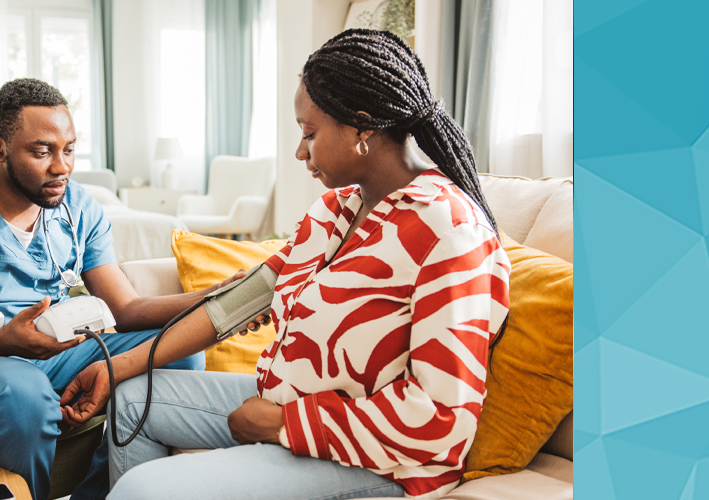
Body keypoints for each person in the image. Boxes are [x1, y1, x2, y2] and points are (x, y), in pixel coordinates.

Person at [56, 29, 513, 499]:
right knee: (134, 399)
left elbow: (440, 423)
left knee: (144, 489)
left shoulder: (449, 230)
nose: (300, 153)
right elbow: (235, 306)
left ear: (362, 127)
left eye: (309, 134)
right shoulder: (336, 211)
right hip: (292, 405)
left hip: (384, 460)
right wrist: (118, 368)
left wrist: (283, 425)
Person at [0, 78, 255, 500]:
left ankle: (98, 494)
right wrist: (4, 340)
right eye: (42, 151)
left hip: (58, 353)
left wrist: (213, 297)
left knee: (180, 351)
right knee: (23, 395)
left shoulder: (79, 206)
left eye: (69, 149)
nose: (61, 166)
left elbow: (127, 308)